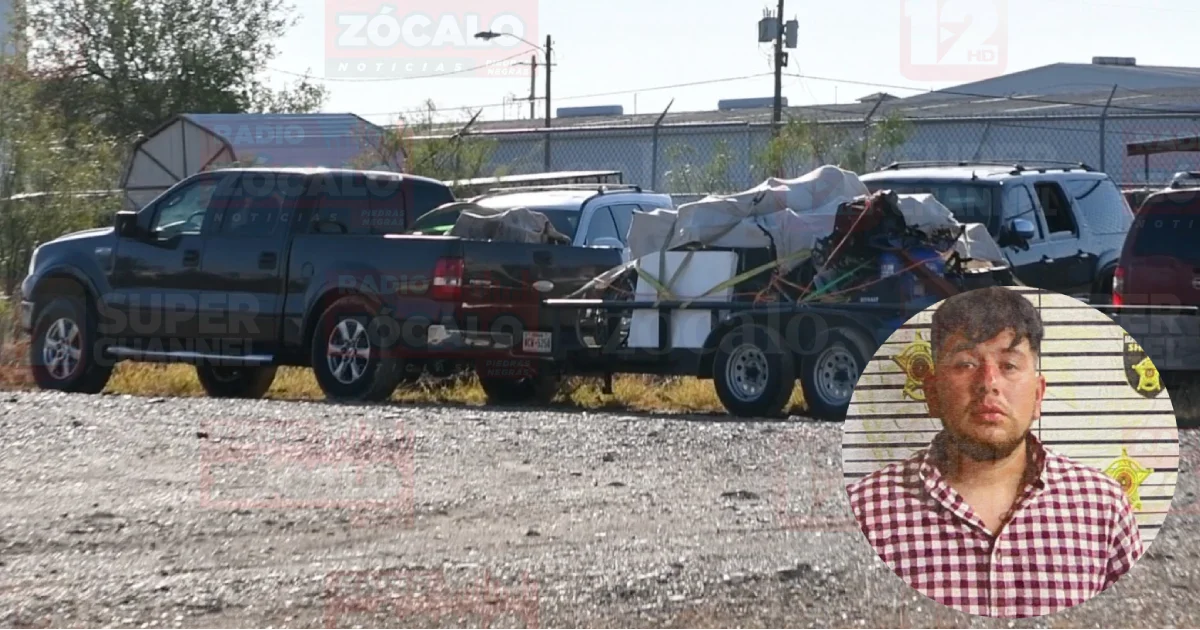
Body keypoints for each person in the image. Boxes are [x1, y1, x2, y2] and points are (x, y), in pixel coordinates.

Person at [846, 286, 1144, 619]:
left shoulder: (1103, 508)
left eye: (1009, 365)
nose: (989, 383)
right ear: (931, 392)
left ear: (1038, 395)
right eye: (966, 363)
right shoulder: (867, 509)